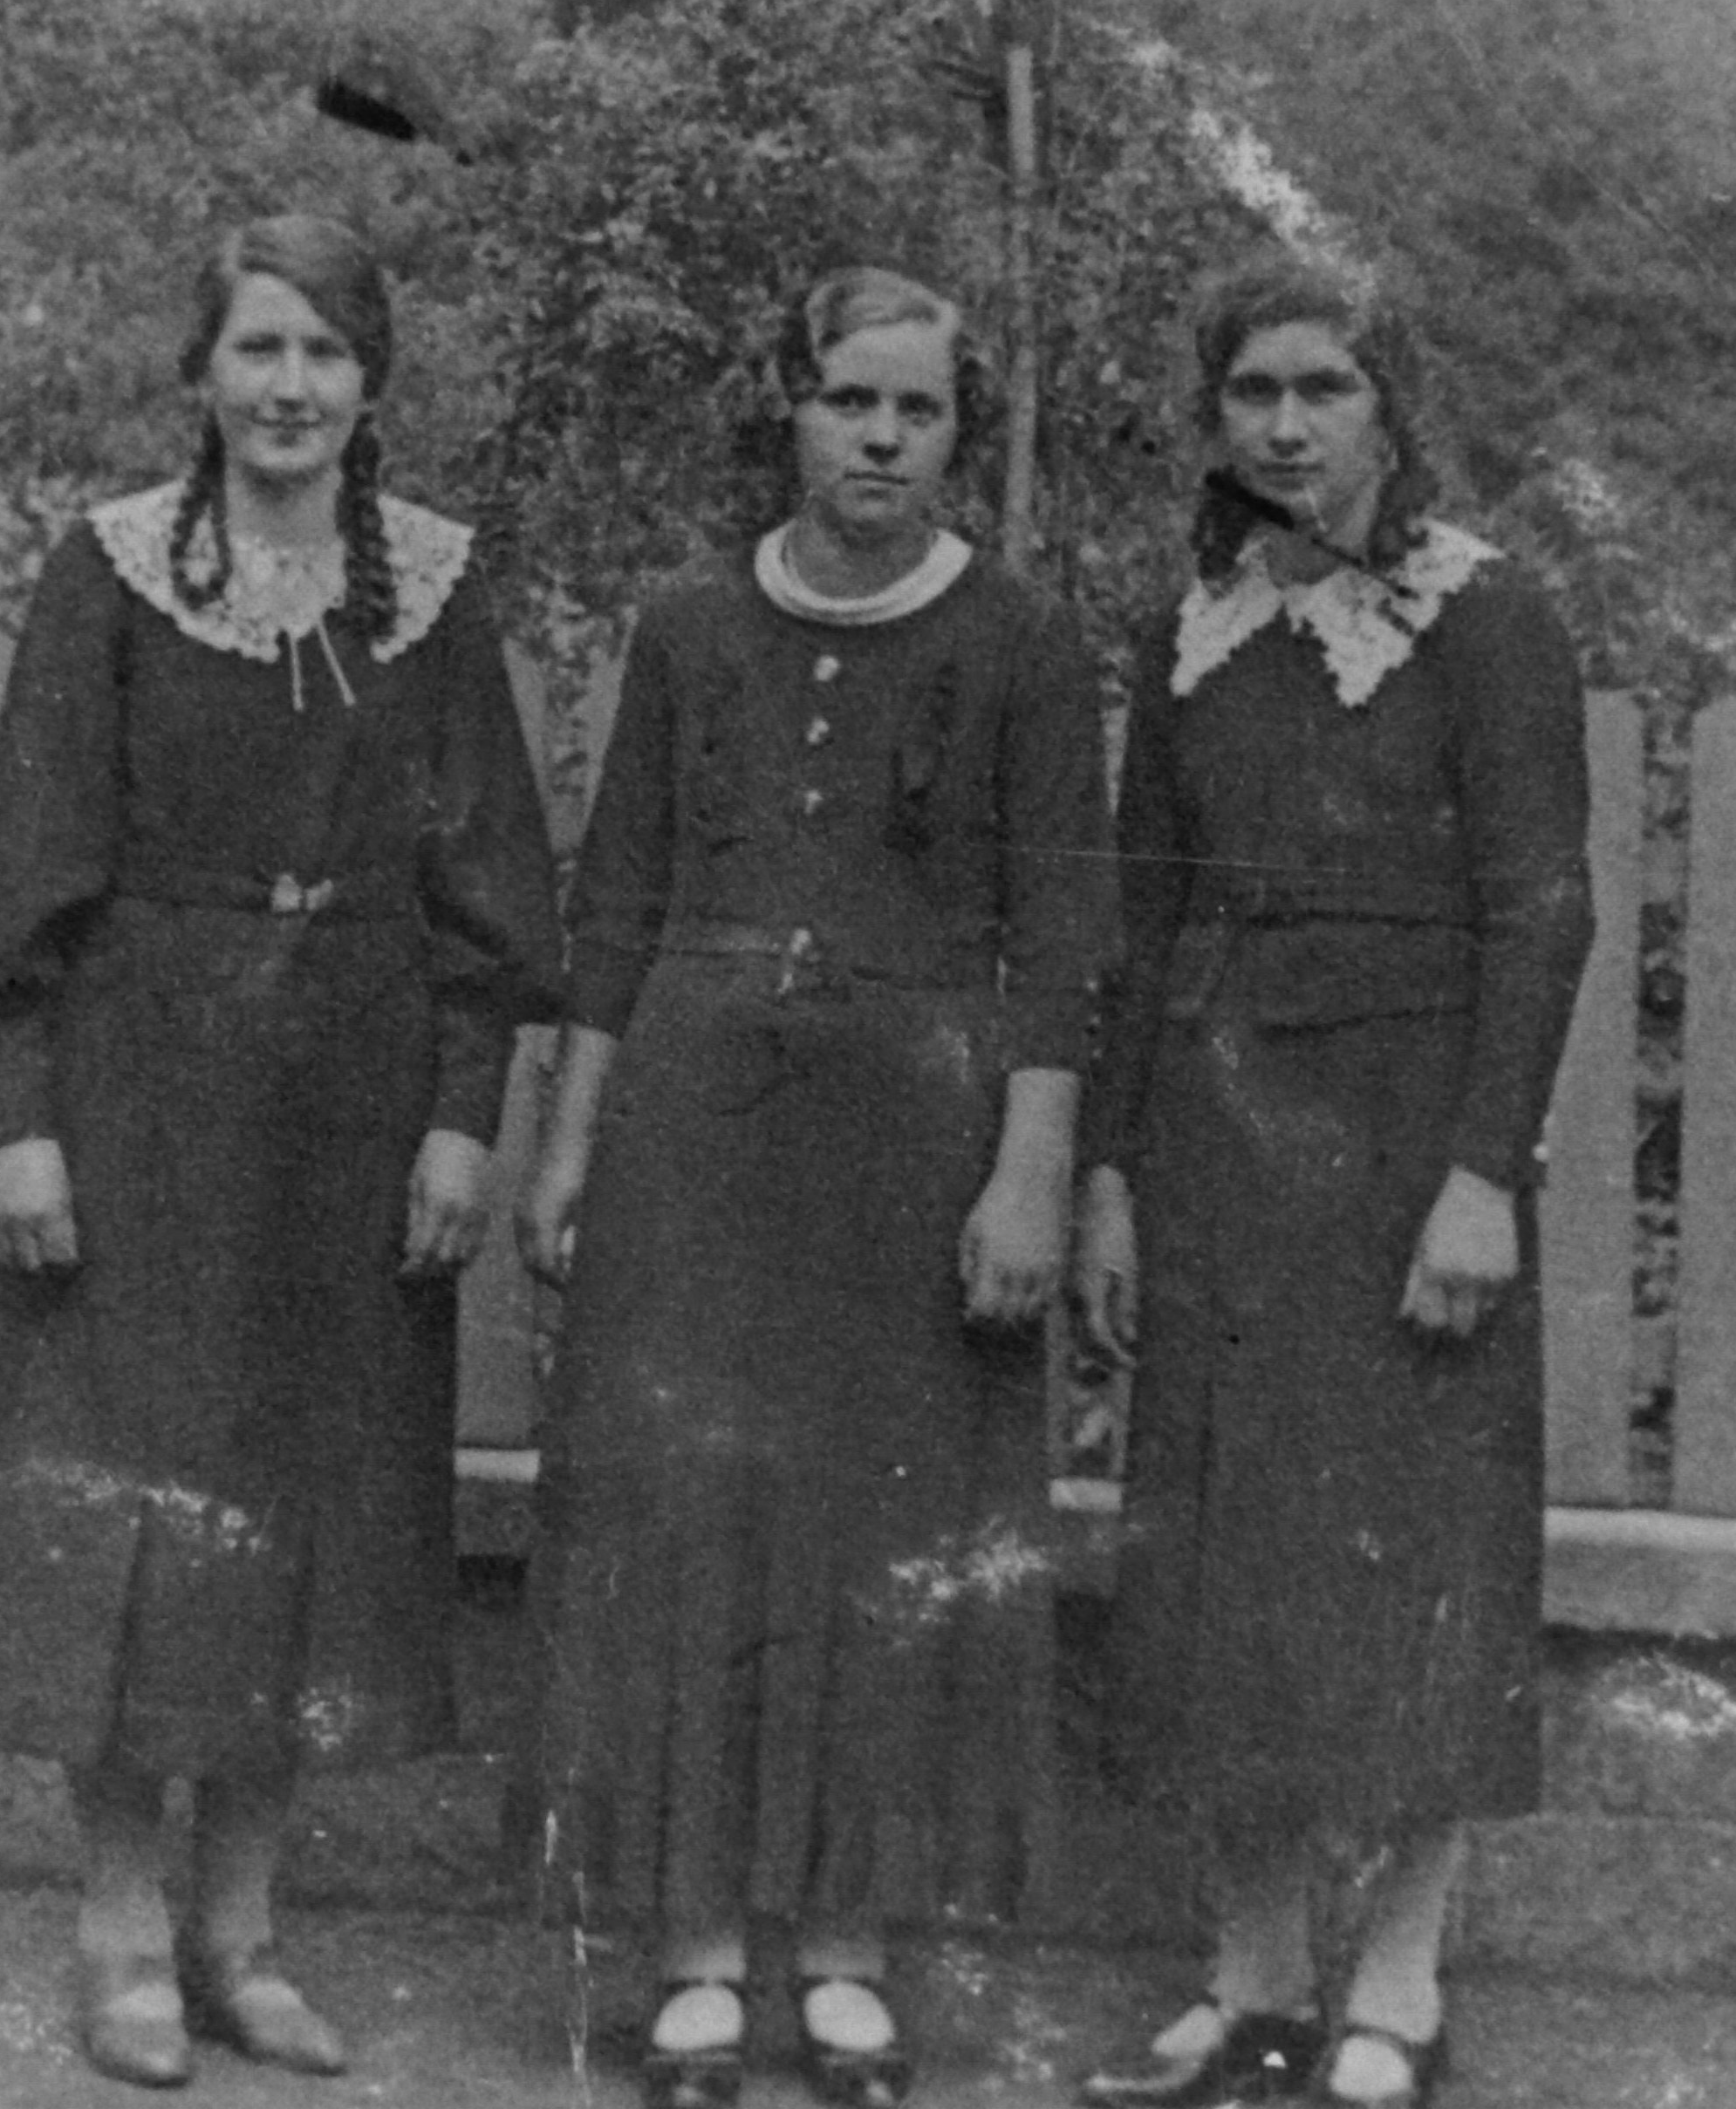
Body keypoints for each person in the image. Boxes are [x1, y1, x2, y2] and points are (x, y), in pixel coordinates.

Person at [0, 214, 563, 2090]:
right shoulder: (109, 575)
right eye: (258, 350)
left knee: (310, 1511)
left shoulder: (430, 591)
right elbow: (22, 874)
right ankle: (122, 1929)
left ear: (371, 381)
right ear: (200, 374)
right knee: (131, 1508)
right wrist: (23, 1127)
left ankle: (243, 1931)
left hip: (351, 1106)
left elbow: (489, 893)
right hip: (140, 1105)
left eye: (325, 354)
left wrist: (460, 1120)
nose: (290, 389)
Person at [516, 268, 1115, 2109]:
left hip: (917, 1141)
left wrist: (1031, 1171)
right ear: (788, 409)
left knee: (878, 1517)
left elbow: (1062, 937)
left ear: (958, 434)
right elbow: (617, 900)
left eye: (918, 411)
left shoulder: (1022, 643)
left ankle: (849, 1949)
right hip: (694, 1126)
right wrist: (571, 1143)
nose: (881, 439)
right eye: (850, 400)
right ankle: (694, 1950)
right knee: (690, 1507)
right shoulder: (692, 628)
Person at [1070, 245, 1595, 2109]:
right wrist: (1112, 1176)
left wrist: (1482, 1176)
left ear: (1392, 408)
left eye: (1327, 389)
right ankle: (1255, 1974)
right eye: (1254, 393)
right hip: (1217, 1144)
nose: (1287, 427)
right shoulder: (1194, 628)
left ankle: (1400, 1980)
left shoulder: (1487, 618)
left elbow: (1543, 911)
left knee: (1413, 1551)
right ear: (1214, 417)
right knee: (1222, 1551)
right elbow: (1140, 919)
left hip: (1403, 1150)